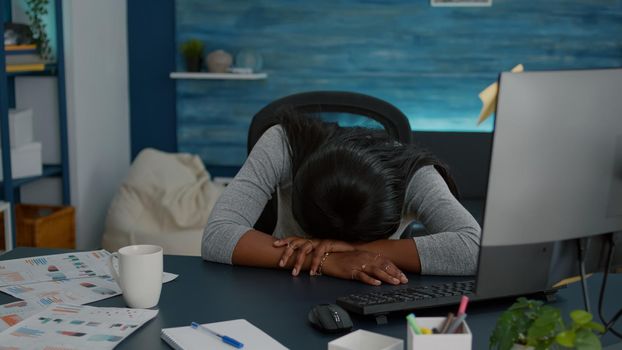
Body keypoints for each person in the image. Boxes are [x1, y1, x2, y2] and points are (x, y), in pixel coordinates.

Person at [202, 111, 481, 286]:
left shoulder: (414, 175)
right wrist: (325, 261)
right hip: (288, 283)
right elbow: (217, 235)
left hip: (372, 288)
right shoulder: (284, 145)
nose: (325, 247)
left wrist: (356, 250)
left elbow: (474, 247)